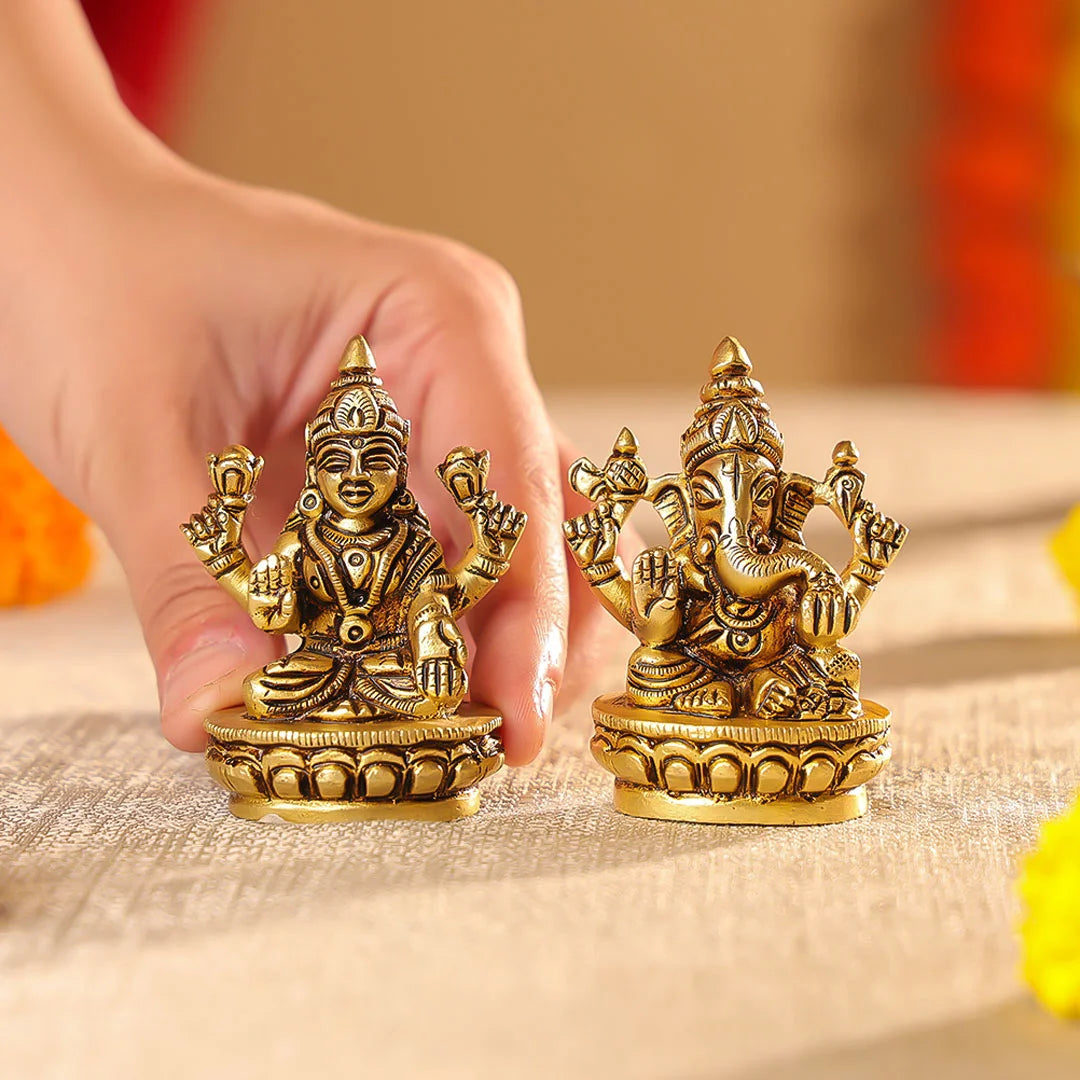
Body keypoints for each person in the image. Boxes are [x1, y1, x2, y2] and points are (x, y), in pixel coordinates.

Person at [0, 1, 617, 765]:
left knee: (434, 675)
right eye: (340, 461)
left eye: (374, 461)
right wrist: (221, 552)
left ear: (399, 467)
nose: (355, 477)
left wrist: (487, 550)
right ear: (317, 467)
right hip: (321, 677)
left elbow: (445, 598)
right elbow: (271, 602)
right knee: (280, 691)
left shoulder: (406, 539)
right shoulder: (309, 537)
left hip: (388, 680)